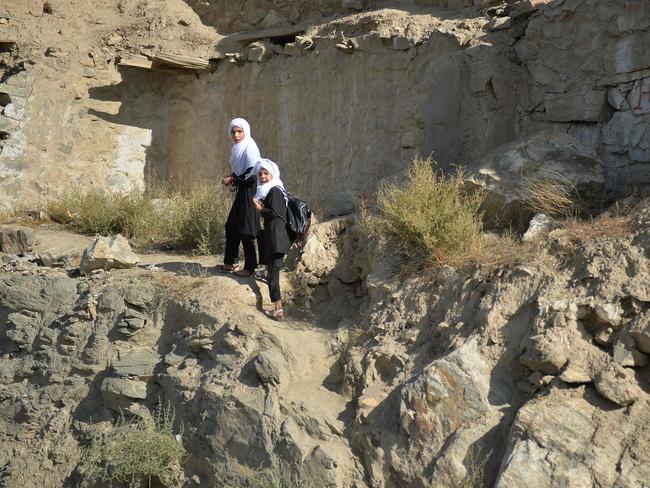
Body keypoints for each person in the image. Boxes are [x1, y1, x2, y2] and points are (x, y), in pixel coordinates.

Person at [219, 118, 262, 277]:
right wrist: (233, 176)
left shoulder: (249, 147)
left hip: (251, 192)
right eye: (233, 132)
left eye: (239, 131)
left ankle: (250, 267)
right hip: (243, 191)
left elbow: (252, 176)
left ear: (246, 131)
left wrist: (232, 180)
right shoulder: (238, 148)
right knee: (232, 226)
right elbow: (243, 172)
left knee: (246, 229)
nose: (236, 135)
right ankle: (230, 262)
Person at [253, 159, 291, 321]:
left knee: (273, 274)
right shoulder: (274, 190)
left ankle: (278, 309)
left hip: (277, 239)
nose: (262, 176)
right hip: (275, 237)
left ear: (272, 174)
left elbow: (275, 213)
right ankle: (278, 306)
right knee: (271, 271)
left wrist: (260, 209)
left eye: (266, 173)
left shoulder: (274, 190)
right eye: (260, 174)